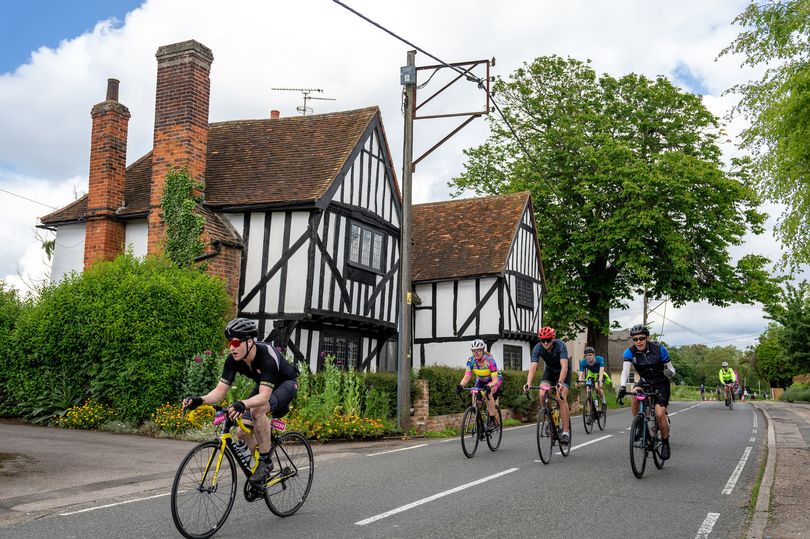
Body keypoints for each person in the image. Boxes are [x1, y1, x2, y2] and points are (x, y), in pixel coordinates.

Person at [183, 318, 300, 485]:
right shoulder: (233, 360)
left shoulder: (266, 356)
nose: (232, 347)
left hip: (285, 384)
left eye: (236, 342)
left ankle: (265, 463)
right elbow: (220, 391)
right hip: (264, 385)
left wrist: (243, 403)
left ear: (250, 342)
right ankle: (257, 472)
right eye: (230, 342)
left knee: (257, 411)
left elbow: (264, 397)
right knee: (242, 432)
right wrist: (199, 400)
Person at [617, 324, 675, 460]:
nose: (639, 342)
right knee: (635, 394)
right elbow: (625, 371)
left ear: (647, 338)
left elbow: (672, 370)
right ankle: (639, 425)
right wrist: (622, 386)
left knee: (660, 414)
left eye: (642, 338)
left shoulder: (660, 350)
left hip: (661, 383)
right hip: (645, 381)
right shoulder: (629, 352)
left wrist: (669, 373)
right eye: (635, 339)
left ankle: (665, 443)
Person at [523, 326, 571, 445]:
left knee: (561, 397)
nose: (545, 343)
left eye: (548, 340)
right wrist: (528, 383)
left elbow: (564, 366)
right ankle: (550, 418)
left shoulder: (561, 345)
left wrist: (560, 382)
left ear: (553, 338)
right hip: (549, 371)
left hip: (563, 372)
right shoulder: (538, 347)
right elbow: (533, 366)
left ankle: (565, 432)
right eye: (543, 340)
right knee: (542, 393)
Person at [457, 339, 503, 432]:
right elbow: (467, 376)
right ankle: (480, 419)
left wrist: (489, 386)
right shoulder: (471, 361)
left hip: (494, 379)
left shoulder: (490, 361)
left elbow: (494, 380)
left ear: (483, 350)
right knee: (475, 395)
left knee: (487, 394)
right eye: (474, 350)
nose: (476, 352)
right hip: (481, 379)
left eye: (478, 350)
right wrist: (460, 385)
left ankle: (492, 420)